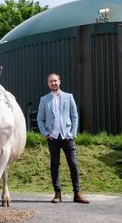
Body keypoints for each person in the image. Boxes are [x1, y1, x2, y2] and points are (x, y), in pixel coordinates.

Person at [37, 73, 89, 204]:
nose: (53, 83)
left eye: (55, 81)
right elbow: (40, 119)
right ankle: (57, 193)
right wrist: (45, 134)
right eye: (50, 81)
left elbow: (74, 116)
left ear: (59, 81)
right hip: (52, 138)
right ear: (48, 84)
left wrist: (72, 133)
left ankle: (77, 194)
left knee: (73, 164)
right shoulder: (44, 99)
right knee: (54, 165)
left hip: (67, 137)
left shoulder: (68, 97)